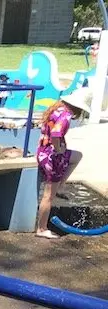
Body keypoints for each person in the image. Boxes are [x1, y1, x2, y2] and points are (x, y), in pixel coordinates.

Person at [35, 87, 91, 239]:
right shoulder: (65, 116)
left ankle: (60, 186)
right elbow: (55, 133)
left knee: (77, 156)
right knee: (48, 196)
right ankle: (41, 228)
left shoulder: (56, 109)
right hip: (53, 157)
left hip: (43, 152)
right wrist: (59, 149)